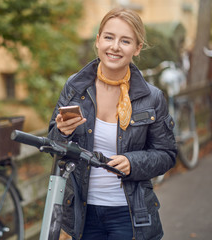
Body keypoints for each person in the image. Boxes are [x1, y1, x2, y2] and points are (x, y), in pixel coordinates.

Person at [47, 7, 177, 240]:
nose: (115, 46)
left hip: (129, 214)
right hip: (80, 213)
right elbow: (53, 146)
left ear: (137, 48)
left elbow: (167, 154)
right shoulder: (75, 87)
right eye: (109, 37)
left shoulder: (152, 97)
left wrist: (132, 162)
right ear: (98, 41)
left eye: (125, 41)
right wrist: (61, 133)